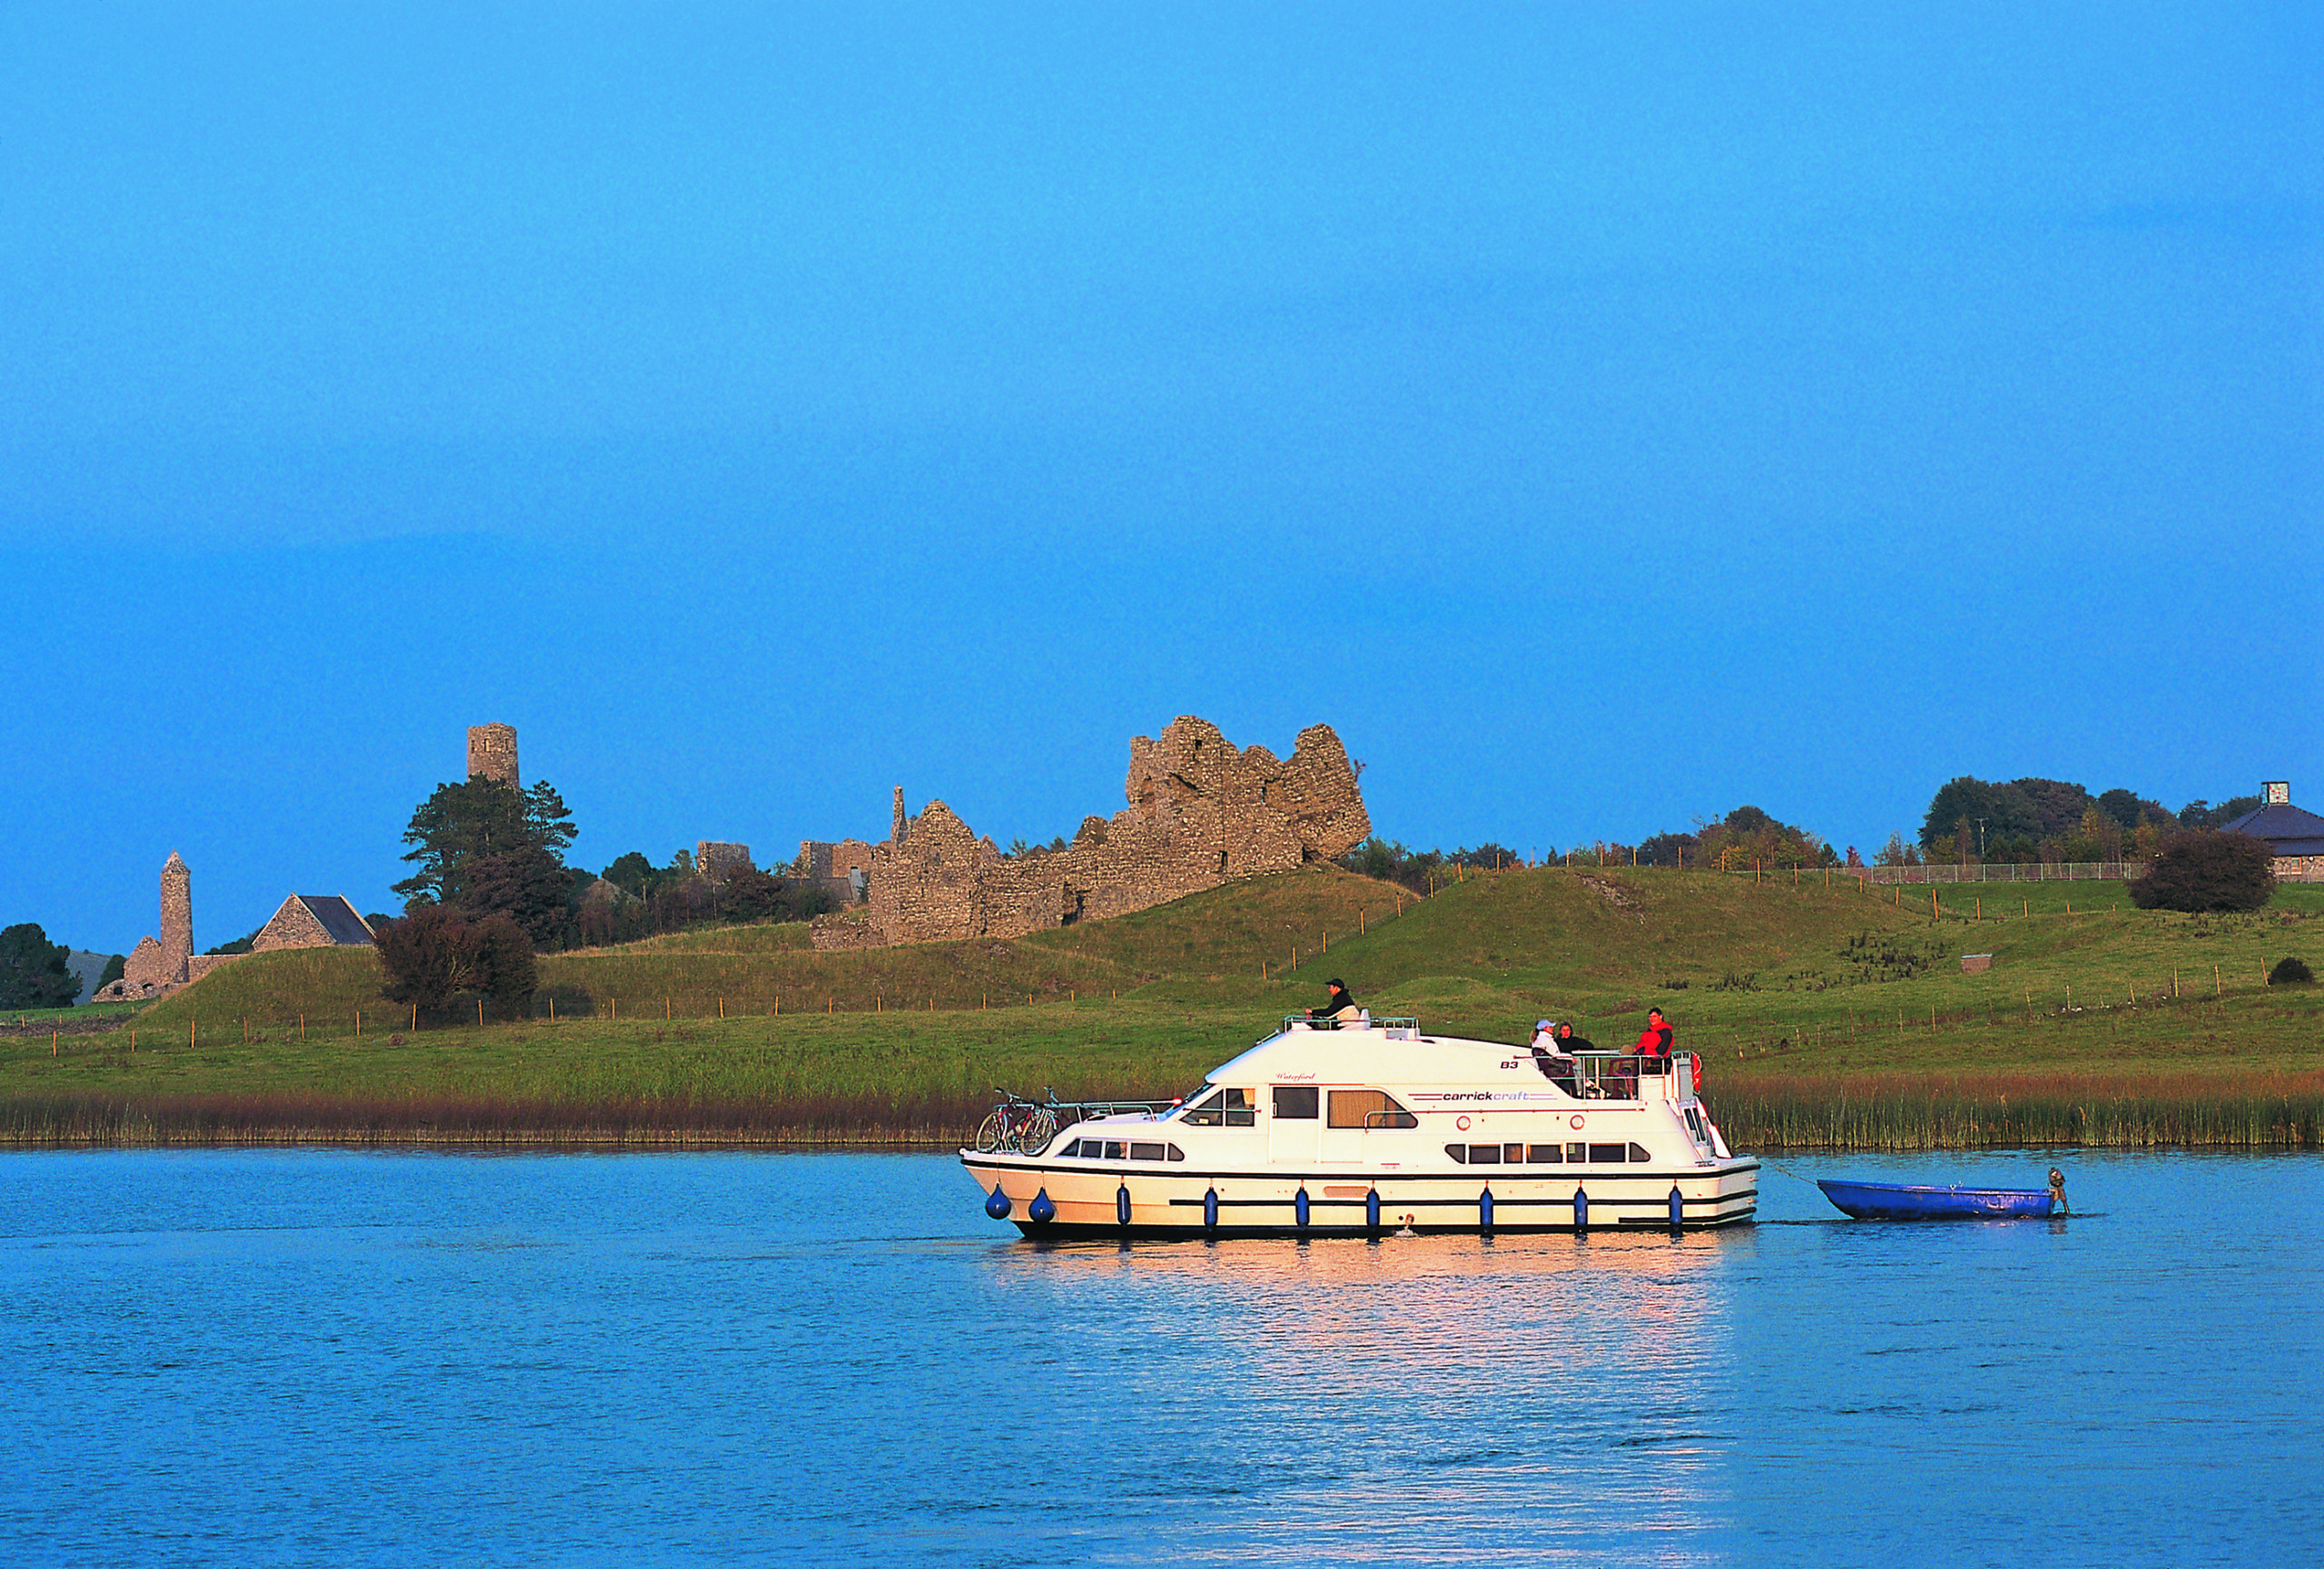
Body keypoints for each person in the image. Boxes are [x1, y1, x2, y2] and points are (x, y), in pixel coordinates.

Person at [1632, 1008, 1674, 1076]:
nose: (1652, 1019)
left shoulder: (1666, 1033)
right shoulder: (1649, 1031)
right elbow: (1642, 1043)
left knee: (1630, 1061)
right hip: (1641, 1055)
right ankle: (1623, 1075)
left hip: (1653, 1059)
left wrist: (1645, 1051)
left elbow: (1661, 1051)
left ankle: (1628, 1075)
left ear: (1660, 1017)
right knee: (1626, 1049)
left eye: (1654, 1017)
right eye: (1650, 1017)